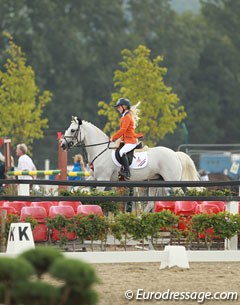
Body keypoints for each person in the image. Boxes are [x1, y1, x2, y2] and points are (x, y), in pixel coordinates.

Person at [110, 98, 143, 179]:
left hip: (131, 141)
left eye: (119, 107)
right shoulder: (124, 117)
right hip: (127, 140)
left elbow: (123, 130)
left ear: (124, 106)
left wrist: (113, 138)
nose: (118, 109)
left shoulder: (127, 117)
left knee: (121, 152)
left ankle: (127, 172)